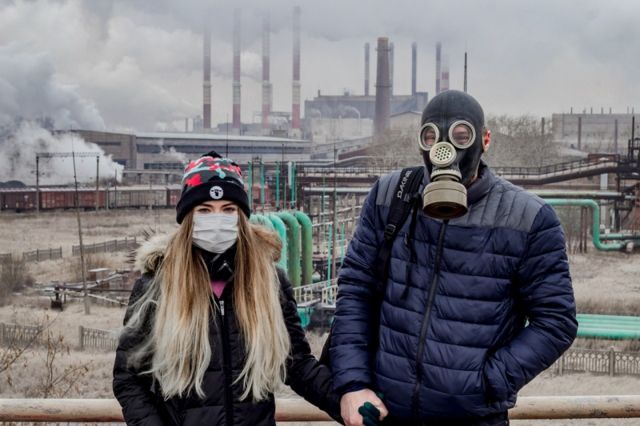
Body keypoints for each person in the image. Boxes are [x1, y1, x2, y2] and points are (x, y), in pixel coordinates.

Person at [330, 90, 578, 426]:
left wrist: (486, 384)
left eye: (462, 137)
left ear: (485, 140)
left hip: (472, 418)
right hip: (386, 412)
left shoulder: (527, 218)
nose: (443, 151)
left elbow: (556, 321)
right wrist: (353, 383)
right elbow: (356, 289)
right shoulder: (391, 196)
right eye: (431, 137)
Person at [113, 152, 341, 425]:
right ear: (188, 218)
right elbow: (129, 378)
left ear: (241, 217)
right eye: (205, 210)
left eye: (228, 209)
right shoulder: (157, 286)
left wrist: (348, 402)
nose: (217, 220)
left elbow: (297, 364)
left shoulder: (269, 283)